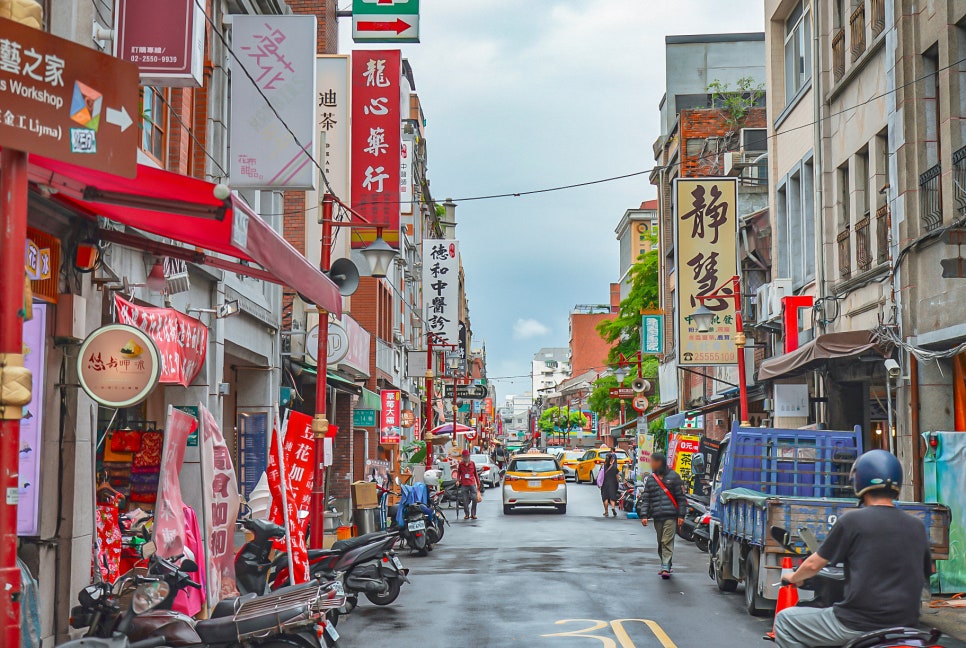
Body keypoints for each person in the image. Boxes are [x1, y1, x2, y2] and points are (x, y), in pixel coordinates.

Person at [774, 450, 932, 648]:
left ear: (859, 481)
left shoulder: (852, 521)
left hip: (856, 622)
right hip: (906, 626)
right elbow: (926, 574)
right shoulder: (917, 526)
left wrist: (793, 578)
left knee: (785, 621)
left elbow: (814, 564)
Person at [635, 451, 686, 578]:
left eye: (652, 462)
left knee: (666, 540)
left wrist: (681, 515)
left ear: (659, 463)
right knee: (660, 542)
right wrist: (644, 515)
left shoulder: (674, 477)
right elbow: (646, 498)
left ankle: (665, 568)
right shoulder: (651, 479)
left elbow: (681, 498)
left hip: (671, 516)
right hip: (657, 516)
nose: (651, 464)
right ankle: (667, 563)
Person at [455, 449, 482, 520]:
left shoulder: (472, 463)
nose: (466, 457)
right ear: (463, 457)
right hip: (464, 484)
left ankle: (473, 514)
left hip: (472, 483)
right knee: (465, 500)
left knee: (474, 498)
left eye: (467, 456)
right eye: (465, 456)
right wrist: (458, 480)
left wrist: (478, 483)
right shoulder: (461, 464)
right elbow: (458, 473)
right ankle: (467, 514)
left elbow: (475, 474)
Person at [598, 453, 620, 517]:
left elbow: (600, 475)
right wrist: (617, 482)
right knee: (612, 497)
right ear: (611, 459)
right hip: (613, 483)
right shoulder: (614, 467)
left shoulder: (603, 466)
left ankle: (606, 512)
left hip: (605, 483)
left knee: (605, 498)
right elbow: (617, 476)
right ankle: (613, 507)